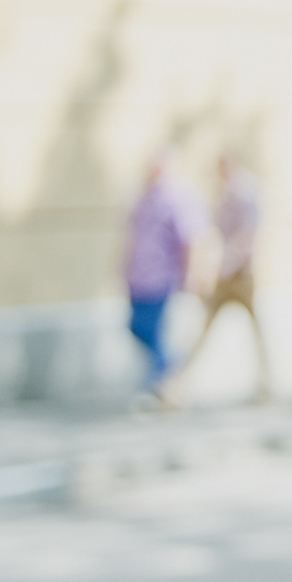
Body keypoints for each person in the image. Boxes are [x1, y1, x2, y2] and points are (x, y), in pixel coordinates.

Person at [180, 151, 271, 401]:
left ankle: (265, 384)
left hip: (240, 274)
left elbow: (245, 238)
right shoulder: (224, 195)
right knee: (204, 328)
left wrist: (223, 267)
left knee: (255, 330)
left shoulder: (245, 192)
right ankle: (177, 384)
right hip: (226, 273)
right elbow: (216, 233)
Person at [121, 148, 206, 402]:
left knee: (154, 329)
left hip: (162, 275)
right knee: (135, 326)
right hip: (138, 274)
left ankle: (157, 381)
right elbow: (131, 235)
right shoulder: (141, 196)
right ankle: (170, 363)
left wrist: (192, 273)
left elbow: (191, 238)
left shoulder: (179, 196)